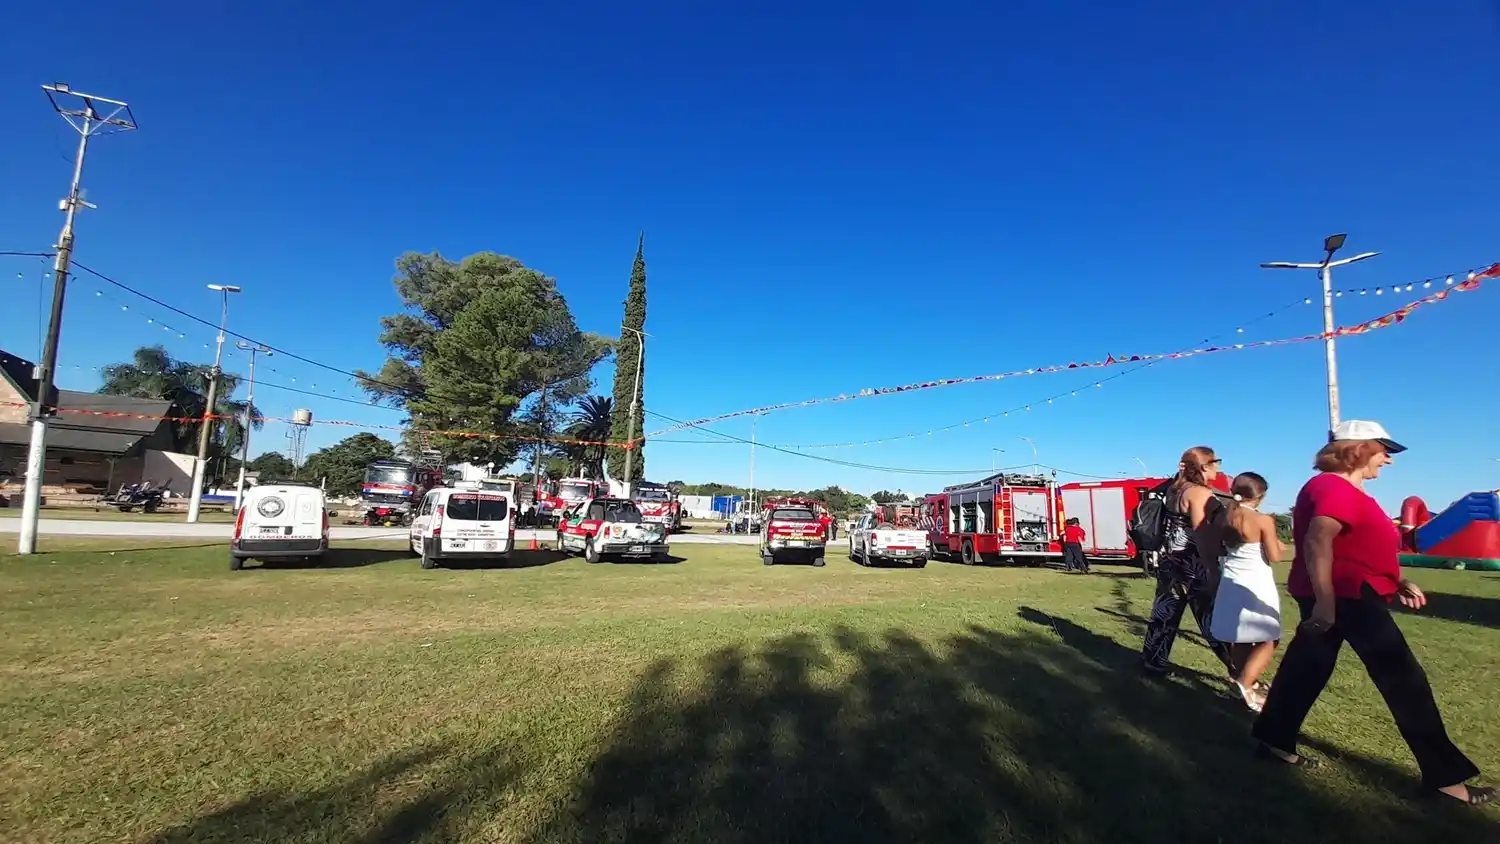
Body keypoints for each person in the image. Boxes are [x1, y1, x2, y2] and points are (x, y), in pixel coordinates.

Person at [1252, 421, 1493, 807]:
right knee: (1404, 680)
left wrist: (1397, 581)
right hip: (1345, 594)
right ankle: (1444, 778)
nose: (1388, 460)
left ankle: (1274, 741)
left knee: (1306, 669)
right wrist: (1326, 603)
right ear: (1358, 449)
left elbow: (1362, 546)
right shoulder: (1332, 486)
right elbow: (1318, 542)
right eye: (1384, 450)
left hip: (1349, 589)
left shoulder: (1351, 491)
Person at [1140, 446, 1234, 675]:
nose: (1218, 469)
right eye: (1215, 463)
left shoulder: (1175, 489)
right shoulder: (1199, 493)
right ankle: (1241, 672)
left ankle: (1153, 662)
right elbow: (1201, 534)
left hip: (1170, 561)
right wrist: (1211, 568)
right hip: (1193, 564)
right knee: (1213, 620)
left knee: (1164, 615)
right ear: (1204, 466)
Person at [1208, 472, 1283, 712]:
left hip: (1231, 579)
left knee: (1240, 637)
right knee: (1269, 637)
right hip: (1256, 582)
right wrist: (1278, 543)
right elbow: (1275, 556)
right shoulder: (1262, 520)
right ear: (1260, 495)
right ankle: (1244, 683)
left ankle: (1239, 684)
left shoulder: (1224, 516)